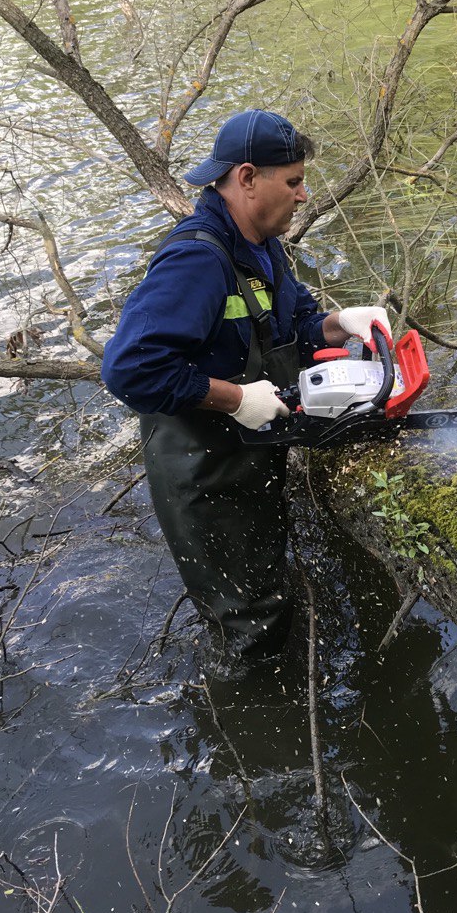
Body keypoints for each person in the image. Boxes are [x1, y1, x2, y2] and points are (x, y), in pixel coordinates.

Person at [101, 109, 391, 660]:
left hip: (247, 461)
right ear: (248, 177)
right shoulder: (196, 258)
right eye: (295, 181)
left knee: (269, 592)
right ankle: (240, 709)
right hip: (205, 479)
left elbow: (297, 323)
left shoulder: (262, 245)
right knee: (251, 628)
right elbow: (130, 368)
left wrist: (341, 322)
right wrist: (236, 398)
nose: (304, 195)